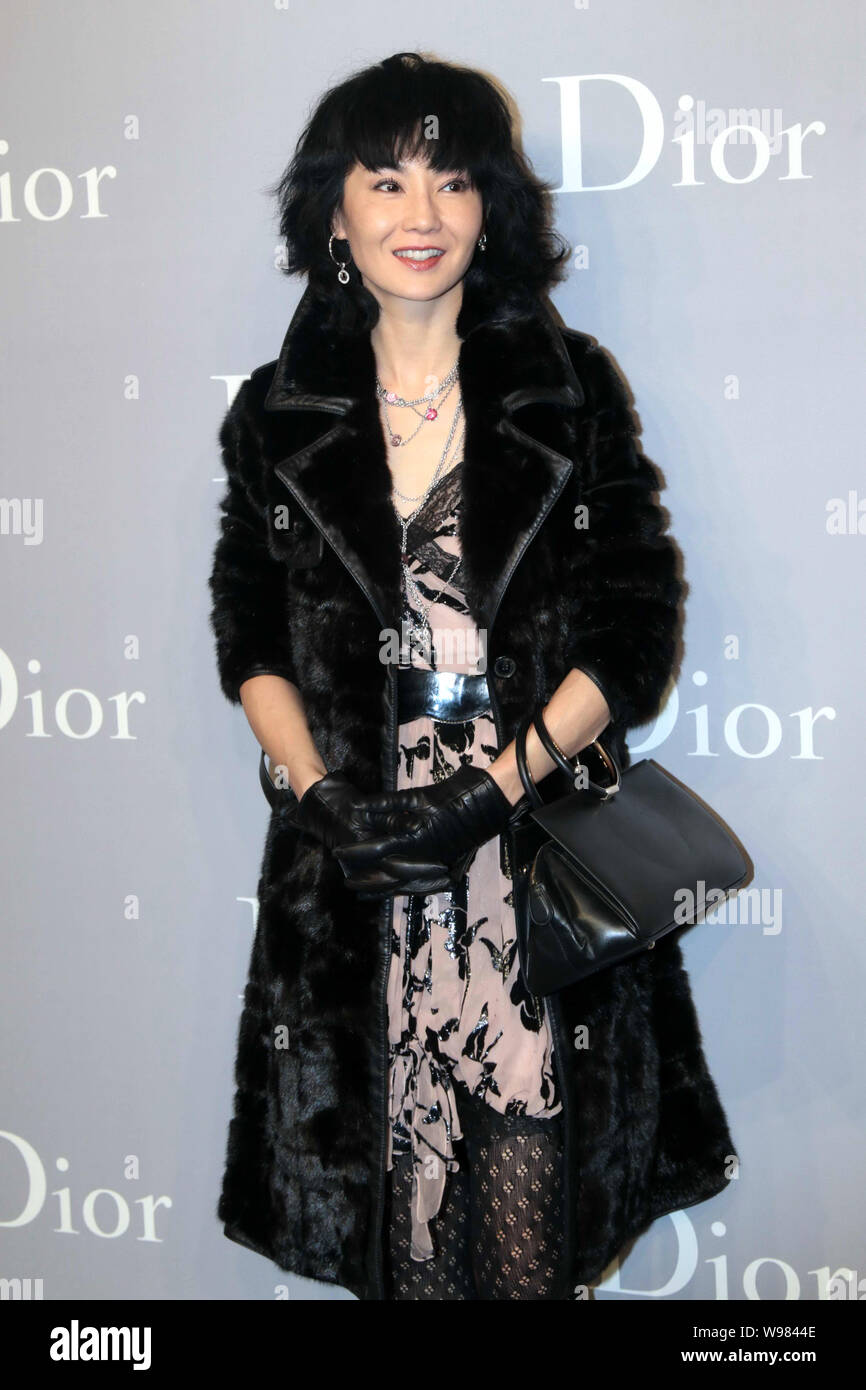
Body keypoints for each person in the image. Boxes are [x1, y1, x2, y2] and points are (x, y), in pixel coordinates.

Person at [209, 51, 736, 1302]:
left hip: (528, 852)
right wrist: (327, 800)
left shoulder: (567, 392)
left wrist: (490, 792)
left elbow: (632, 631)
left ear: (490, 208)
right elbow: (248, 638)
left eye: (452, 180)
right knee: (397, 1235)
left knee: (523, 1233)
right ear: (333, 211)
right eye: (386, 180)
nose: (421, 214)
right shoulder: (274, 413)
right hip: (359, 869)